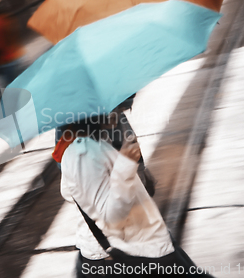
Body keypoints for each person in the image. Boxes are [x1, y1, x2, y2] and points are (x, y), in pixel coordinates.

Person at [53, 116, 212, 277]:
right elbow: (112, 218)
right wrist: (125, 165)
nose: (121, 113)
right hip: (128, 253)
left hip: (141, 243)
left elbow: (69, 192)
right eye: (115, 108)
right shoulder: (83, 153)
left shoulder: (96, 139)